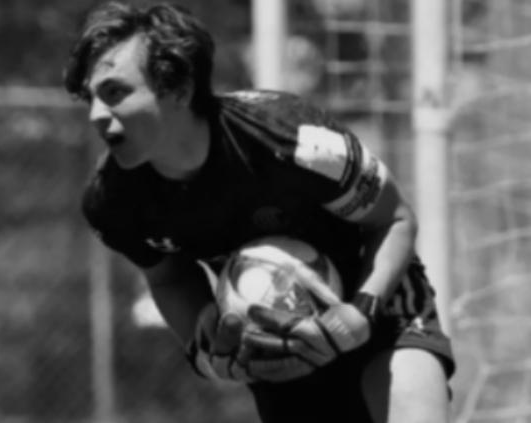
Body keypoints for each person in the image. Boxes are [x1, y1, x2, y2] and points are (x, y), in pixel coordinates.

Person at [63, 2, 456, 422]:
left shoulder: (293, 140)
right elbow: (168, 277)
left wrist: (359, 315)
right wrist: (205, 347)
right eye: (90, 98)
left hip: (380, 310)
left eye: (115, 93)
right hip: (277, 347)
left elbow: (395, 220)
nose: (96, 115)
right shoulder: (113, 202)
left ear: (179, 88)